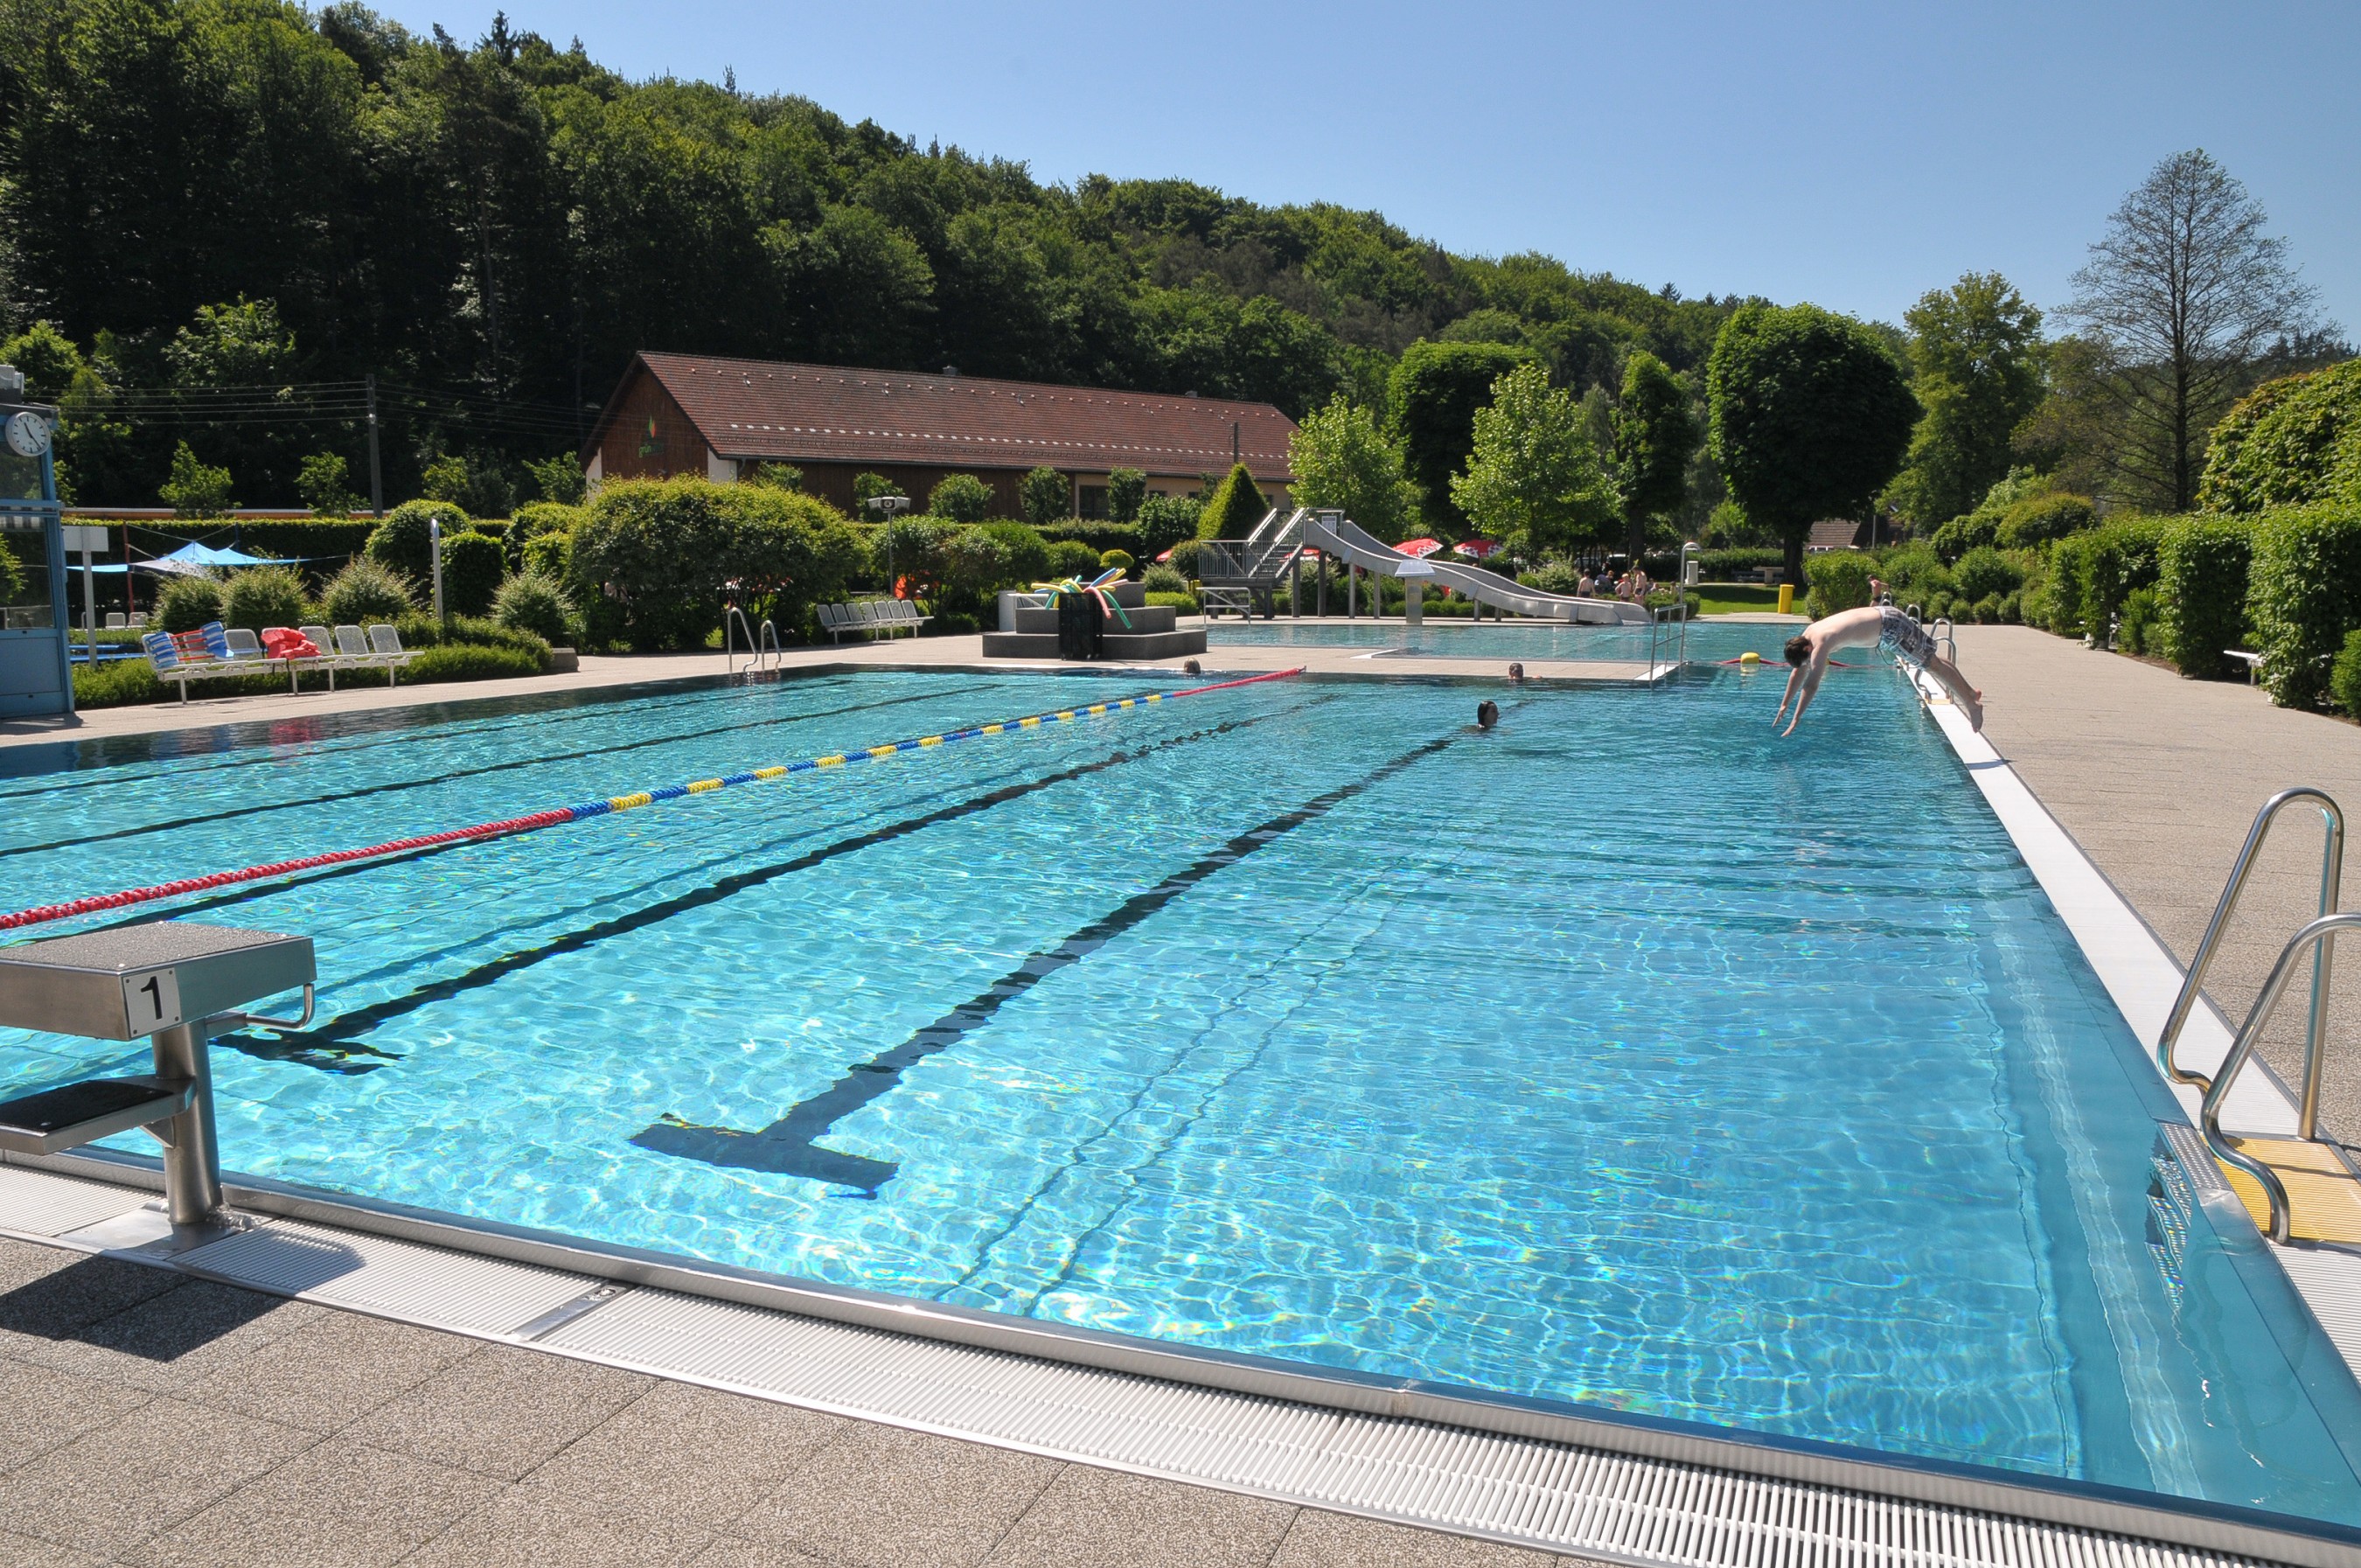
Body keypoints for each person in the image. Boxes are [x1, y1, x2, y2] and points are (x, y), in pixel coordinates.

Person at [1775, 603, 1983, 735]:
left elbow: (1811, 685)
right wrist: (1785, 704)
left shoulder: (1820, 643)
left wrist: (1797, 718)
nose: (1809, 662)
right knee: (1932, 661)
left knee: (1931, 665)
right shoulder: (1809, 632)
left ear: (1807, 649)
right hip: (1886, 615)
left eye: (1807, 659)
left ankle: (1971, 705)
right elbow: (1798, 671)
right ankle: (1970, 692)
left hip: (1890, 630)